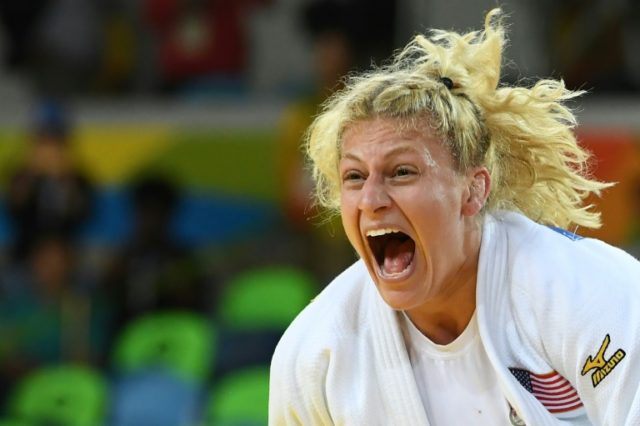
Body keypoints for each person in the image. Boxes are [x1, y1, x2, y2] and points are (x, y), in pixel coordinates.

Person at [269, 9, 640, 426]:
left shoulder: (586, 293)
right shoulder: (316, 354)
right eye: (354, 176)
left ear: (473, 189)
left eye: (402, 172)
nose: (371, 198)